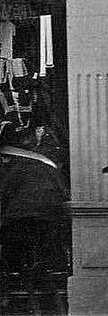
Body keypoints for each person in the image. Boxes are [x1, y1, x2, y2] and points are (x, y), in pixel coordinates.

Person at [0, 118, 69, 312]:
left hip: (20, 220)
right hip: (50, 219)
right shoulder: (42, 162)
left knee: (15, 258)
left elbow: (4, 191)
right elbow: (61, 189)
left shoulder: (12, 164)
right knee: (40, 261)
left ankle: (11, 296)